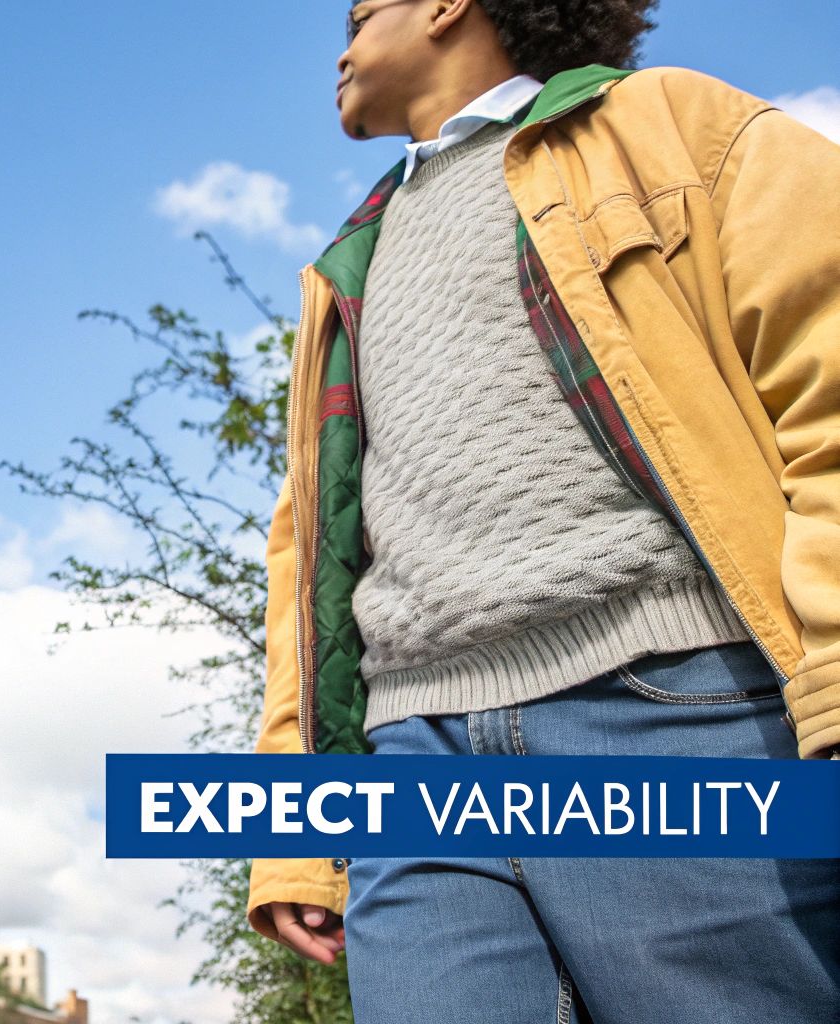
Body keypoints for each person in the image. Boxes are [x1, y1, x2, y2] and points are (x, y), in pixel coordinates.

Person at [244, 1, 840, 1020]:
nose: (339, 47)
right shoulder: (347, 264)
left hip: (674, 701)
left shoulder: (668, 124)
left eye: (360, 13)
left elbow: (823, 384)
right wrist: (294, 828)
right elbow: (306, 565)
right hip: (410, 756)